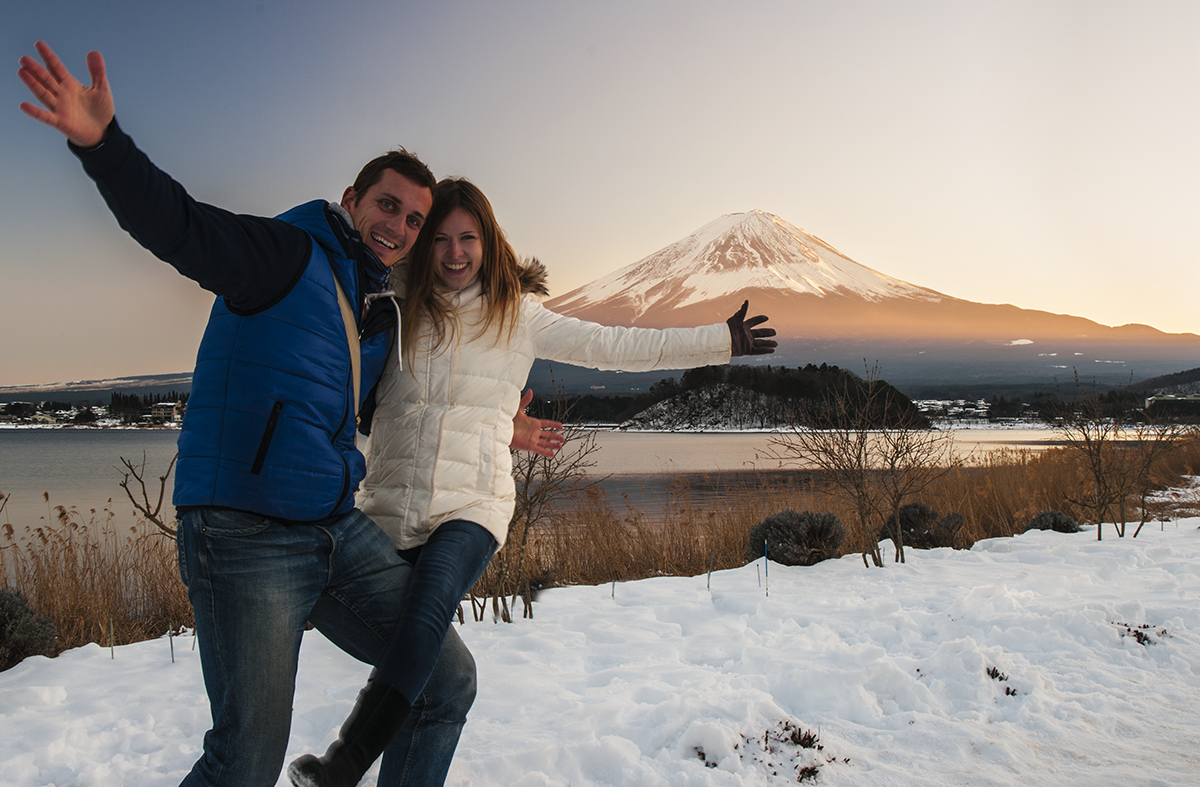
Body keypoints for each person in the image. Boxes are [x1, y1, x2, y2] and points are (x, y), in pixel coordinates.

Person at [16, 42, 562, 787]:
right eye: (388, 206)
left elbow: (400, 412)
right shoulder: (284, 254)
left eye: (415, 219)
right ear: (352, 199)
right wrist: (104, 146)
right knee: (245, 762)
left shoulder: (379, 309)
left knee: (445, 682)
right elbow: (182, 227)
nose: (399, 226)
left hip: (332, 528)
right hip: (245, 535)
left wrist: (504, 425)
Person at [288, 177, 778, 787]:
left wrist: (719, 339)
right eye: (440, 239)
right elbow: (357, 386)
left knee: (427, 609)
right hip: (386, 507)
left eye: (468, 238)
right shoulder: (396, 300)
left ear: (490, 242)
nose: (455, 253)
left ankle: (343, 764)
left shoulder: (518, 314)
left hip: (473, 506)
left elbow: (614, 346)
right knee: (430, 672)